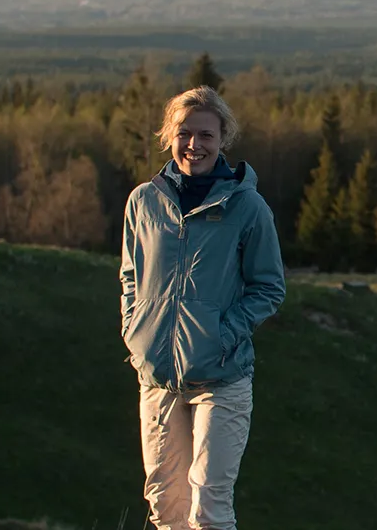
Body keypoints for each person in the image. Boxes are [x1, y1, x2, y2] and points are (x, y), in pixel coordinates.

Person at [119, 86, 285, 530]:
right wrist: (136, 332)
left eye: (206, 135)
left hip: (222, 377)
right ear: (168, 136)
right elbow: (131, 277)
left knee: (208, 505)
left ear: (223, 139)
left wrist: (220, 335)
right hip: (158, 378)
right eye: (184, 133)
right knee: (165, 505)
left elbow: (269, 287)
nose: (195, 144)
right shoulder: (144, 201)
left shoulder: (246, 207)